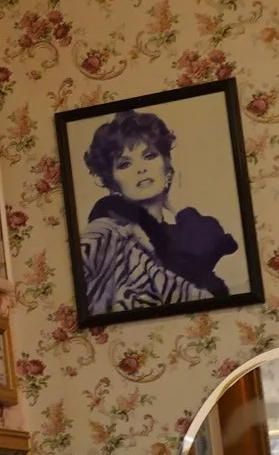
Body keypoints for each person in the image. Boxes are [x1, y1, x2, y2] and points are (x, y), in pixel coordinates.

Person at [76, 109, 237, 317]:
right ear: (112, 180)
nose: (140, 169)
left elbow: (201, 249)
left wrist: (178, 203)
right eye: (125, 164)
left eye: (149, 156)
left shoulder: (188, 231)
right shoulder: (107, 235)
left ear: (167, 165)